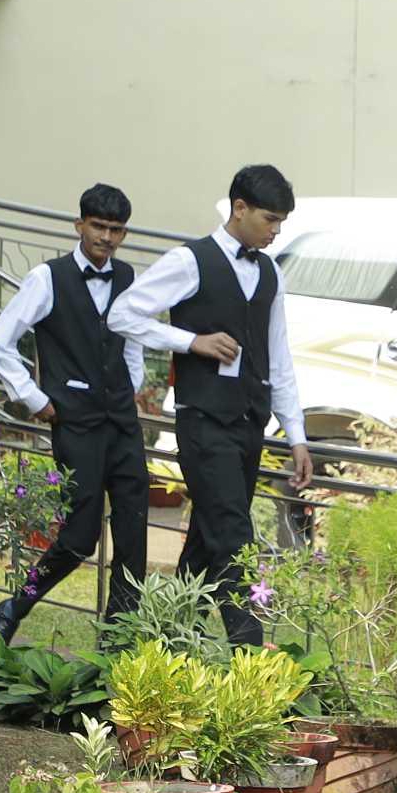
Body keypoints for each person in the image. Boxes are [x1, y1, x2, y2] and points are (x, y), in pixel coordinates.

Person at [107, 165, 312, 644]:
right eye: (269, 219)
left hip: (250, 424)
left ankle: (168, 646)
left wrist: (297, 435)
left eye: (281, 221)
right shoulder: (189, 260)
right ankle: (251, 656)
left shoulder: (269, 272)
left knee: (206, 540)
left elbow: (278, 358)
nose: (276, 230)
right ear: (239, 209)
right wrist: (189, 341)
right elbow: (122, 314)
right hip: (203, 422)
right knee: (234, 536)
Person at [0, 183, 153, 643]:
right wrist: (35, 398)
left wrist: (131, 388)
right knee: (79, 537)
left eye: (116, 230)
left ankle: (117, 638)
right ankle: (15, 607)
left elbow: (133, 340)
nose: (107, 238)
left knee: (134, 534)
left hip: (122, 421)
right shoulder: (47, 278)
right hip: (74, 423)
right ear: (80, 226)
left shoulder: (129, 277)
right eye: (99, 227)